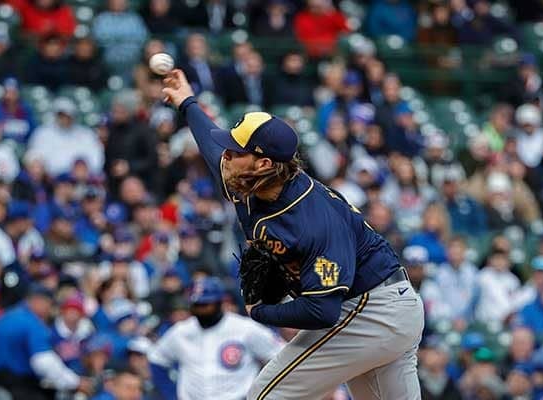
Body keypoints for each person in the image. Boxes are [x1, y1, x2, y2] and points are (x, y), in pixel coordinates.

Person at [162, 69, 424, 399]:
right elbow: (210, 143)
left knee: (266, 396)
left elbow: (322, 311)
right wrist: (187, 102)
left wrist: (259, 312)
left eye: (235, 151)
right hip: (390, 310)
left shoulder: (312, 219)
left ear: (263, 164)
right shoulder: (247, 179)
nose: (226, 155)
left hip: (371, 309)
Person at [148, 277, 283, 400]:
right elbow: (157, 359)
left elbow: (280, 356)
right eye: (196, 305)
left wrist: (264, 392)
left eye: (205, 304)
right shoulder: (181, 331)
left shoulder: (246, 328)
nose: (200, 309)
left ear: (219, 302)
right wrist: (171, 394)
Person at [0, 284, 92, 400]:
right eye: (49, 304)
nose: (50, 309)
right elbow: (43, 362)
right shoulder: (31, 322)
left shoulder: (6, 317)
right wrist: (76, 382)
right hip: (19, 384)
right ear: (38, 301)